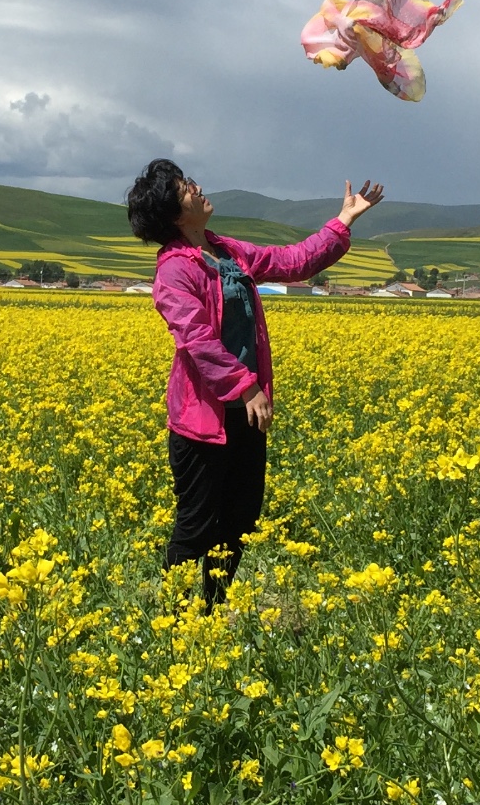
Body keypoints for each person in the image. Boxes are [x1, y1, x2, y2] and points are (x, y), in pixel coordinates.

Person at [125, 159, 384, 605]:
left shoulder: (224, 250)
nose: (198, 187)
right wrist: (246, 385)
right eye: (186, 187)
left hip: (246, 414)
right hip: (203, 421)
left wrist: (343, 219)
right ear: (172, 213)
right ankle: (175, 619)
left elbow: (292, 262)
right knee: (197, 525)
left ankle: (214, 607)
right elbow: (197, 339)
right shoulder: (173, 270)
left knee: (239, 521)